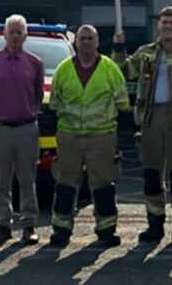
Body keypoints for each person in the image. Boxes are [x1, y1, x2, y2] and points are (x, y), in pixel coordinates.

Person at [112, 6, 172, 245]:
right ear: (158, 25)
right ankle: (154, 227)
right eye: (164, 22)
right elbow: (123, 72)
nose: (167, 26)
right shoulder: (145, 54)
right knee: (151, 177)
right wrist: (118, 47)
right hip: (150, 121)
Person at [49, 25, 129, 247]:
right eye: (82, 39)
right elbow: (54, 102)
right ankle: (61, 229)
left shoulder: (110, 69)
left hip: (101, 136)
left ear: (97, 42)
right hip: (69, 136)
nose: (85, 43)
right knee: (66, 182)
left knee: (102, 183)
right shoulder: (63, 70)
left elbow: (123, 102)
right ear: (75, 43)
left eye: (89, 39)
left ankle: (106, 230)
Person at [0, 14, 44, 245]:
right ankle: (3, 225)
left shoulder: (35, 63)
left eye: (19, 32)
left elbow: (38, 94)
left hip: (26, 129)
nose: (15, 36)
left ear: (25, 36)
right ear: (3, 35)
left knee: (27, 179)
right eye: (11, 32)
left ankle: (29, 225)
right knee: (1, 180)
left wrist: (28, 111)